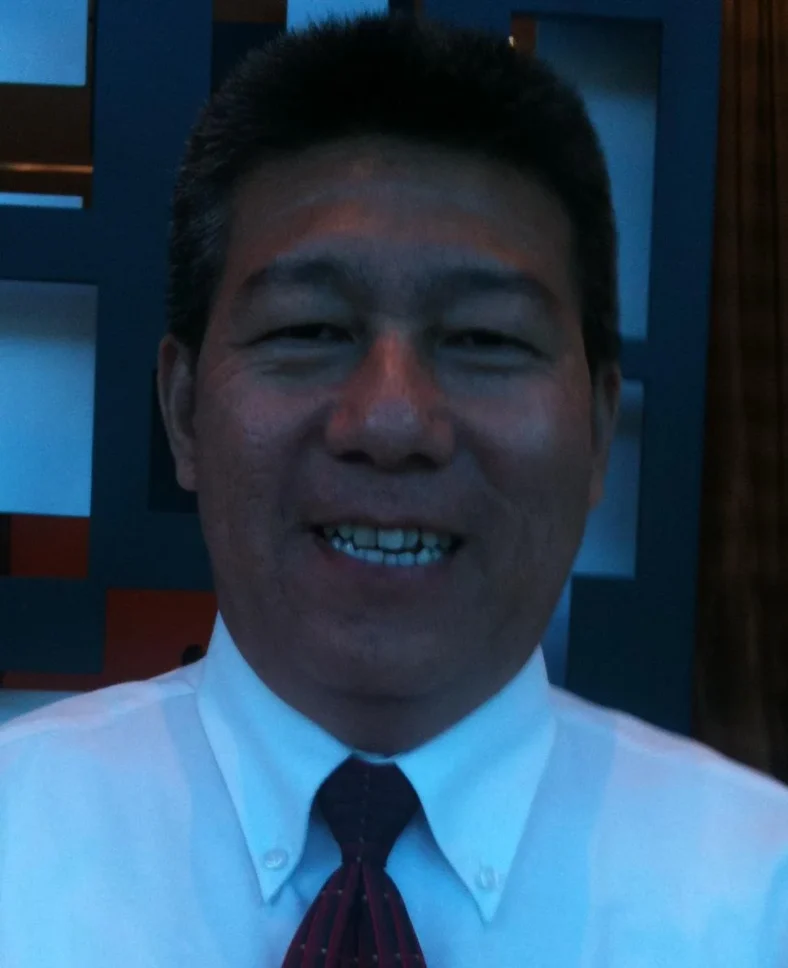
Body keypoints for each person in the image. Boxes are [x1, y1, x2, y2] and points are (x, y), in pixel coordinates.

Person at [0, 14, 786, 967]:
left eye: (486, 339)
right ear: (182, 411)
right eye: (309, 329)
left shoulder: (761, 898)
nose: (391, 420)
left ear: (596, 431)